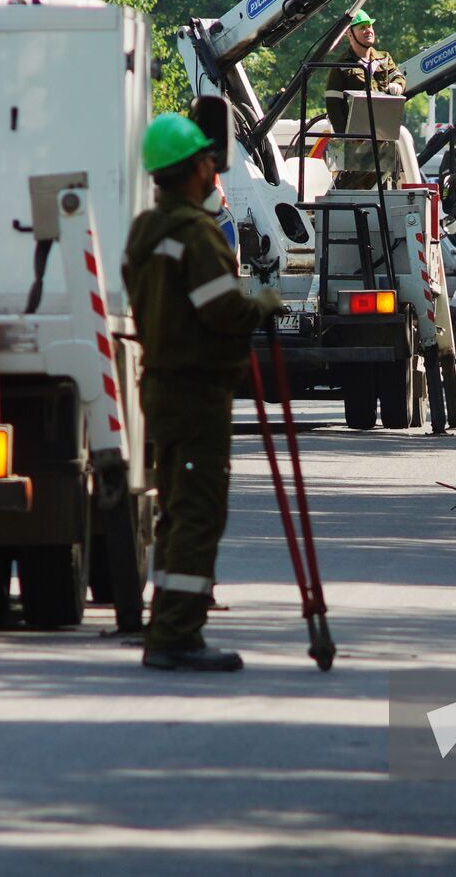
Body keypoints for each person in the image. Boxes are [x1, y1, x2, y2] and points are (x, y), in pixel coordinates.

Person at [122, 112, 284, 672]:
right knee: (197, 512)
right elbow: (221, 308)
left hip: (162, 387)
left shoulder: (146, 231)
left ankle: (166, 618)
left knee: (176, 508)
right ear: (195, 168)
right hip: (196, 391)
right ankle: (175, 635)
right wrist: (261, 304)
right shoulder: (195, 235)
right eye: (208, 164)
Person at [325, 9, 406, 190]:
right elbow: (333, 104)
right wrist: (344, 136)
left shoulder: (384, 59)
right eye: (362, 27)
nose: (368, 30)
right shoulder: (341, 65)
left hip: (382, 138)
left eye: (370, 26)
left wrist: (398, 85)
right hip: (355, 140)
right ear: (350, 34)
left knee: (382, 187)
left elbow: (399, 77)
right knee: (353, 186)